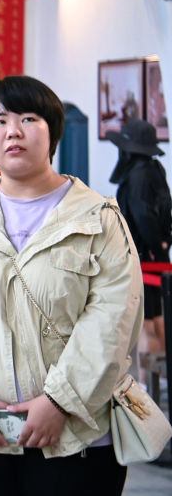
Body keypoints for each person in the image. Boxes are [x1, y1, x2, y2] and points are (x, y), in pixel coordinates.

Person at [0, 76, 143, 496]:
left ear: (53, 131)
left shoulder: (99, 220)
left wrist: (59, 402)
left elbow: (113, 320)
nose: (13, 131)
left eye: (29, 119)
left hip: (76, 439)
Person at [105, 118, 169, 358]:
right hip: (156, 253)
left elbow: (144, 215)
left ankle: (147, 378)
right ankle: (162, 375)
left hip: (143, 255)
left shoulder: (137, 176)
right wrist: (162, 245)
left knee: (145, 322)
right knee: (158, 315)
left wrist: (153, 246)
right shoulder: (154, 169)